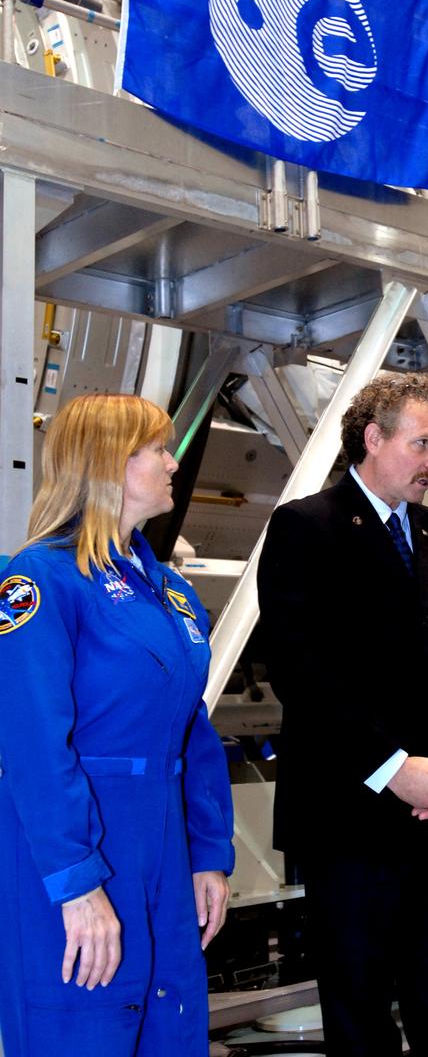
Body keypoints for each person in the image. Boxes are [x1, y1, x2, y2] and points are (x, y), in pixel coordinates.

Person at [257, 372, 428, 1057]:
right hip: (350, 826)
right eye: (423, 443)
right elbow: (303, 673)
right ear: (374, 438)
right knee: (360, 1025)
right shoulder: (306, 528)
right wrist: (393, 770)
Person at [0, 393, 234, 1057]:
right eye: (157, 449)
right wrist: (77, 884)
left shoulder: (169, 591)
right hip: (74, 852)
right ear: (108, 462)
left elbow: (191, 733)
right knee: (80, 1029)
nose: (172, 462)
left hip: (163, 850)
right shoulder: (39, 579)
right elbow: (34, 744)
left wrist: (208, 853)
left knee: (168, 1026)